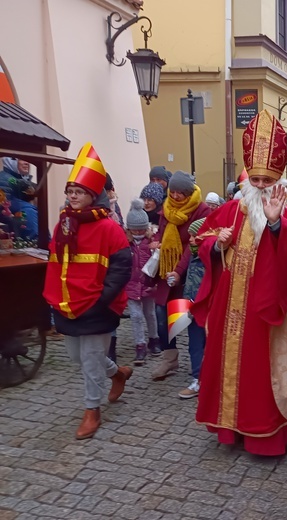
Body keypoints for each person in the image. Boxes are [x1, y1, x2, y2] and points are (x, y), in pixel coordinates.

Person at [191, 109, 287, 456]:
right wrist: (216, 244)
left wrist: (278, 226)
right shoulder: (232, 210)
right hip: (229, 308)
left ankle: (266, 435)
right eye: (257, 181)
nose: (262, 187)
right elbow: (203, 238)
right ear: (248, 179)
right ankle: (230, 430)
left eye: (268, 181)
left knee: (264, 375)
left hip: (269, 314)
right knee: (229, 370)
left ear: (279, 180)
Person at [43, 143, 132, 440]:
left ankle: (92, 409)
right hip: (69, 302)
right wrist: (56, 296)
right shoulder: (63, 225)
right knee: (76, 357)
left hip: (97, 304)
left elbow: (121, 269)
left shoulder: (110, 228)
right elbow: (56, 264)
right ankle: (117, 373)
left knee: (91, 359)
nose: (72, 197)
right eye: (70, 192)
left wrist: (102, 299)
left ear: (92, 195)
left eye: (78, 192)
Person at [150, 170, 210, 380]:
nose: (175, 196)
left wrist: (179, 271)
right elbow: (162, 230)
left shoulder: (202, 210)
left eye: (180, 193)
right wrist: (156, 240)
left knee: (185, 315)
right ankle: (170, 357)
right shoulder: (167, 207)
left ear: (189, 192)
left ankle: (199, 364)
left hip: (188, 272)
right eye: (172, 192)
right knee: (160, 314)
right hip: (166, 269)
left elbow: (192, 246)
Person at [124, 199, 159, 366]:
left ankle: (154, 339)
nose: (138, 232)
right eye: (134, 229)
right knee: (136, 316)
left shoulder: (151, 242)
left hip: (147, 284)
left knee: (150, 314)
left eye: (141, 229)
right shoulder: (125, 243)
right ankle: (140, 344)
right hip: (131, 284)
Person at [178, 217, 207, 399]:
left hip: (205, 308)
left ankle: (205, 379)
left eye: (194, 236)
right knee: (194, 345)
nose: (190, 240)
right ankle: (198, 378)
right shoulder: (193, 254)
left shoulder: (209, 257)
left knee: (207, 345)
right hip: (191, 307)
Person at [0, 157, 38, 240]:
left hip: (18, 222)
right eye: (22, 159)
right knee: (29, 211)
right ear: (11, 161)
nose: (27, 163)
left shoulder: (20, 179)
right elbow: (6, 203)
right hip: (13, 224)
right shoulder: (5, 178)